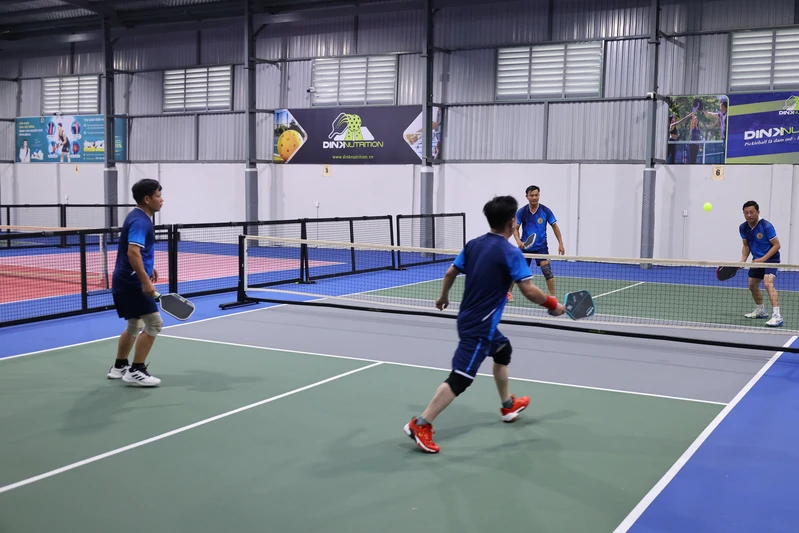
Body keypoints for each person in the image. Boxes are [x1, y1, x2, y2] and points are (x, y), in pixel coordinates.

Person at [403, 195, 566, 454]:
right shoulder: (511, 253)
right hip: (479, 326)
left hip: (468, 317)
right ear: (512, 222)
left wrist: (443, 297)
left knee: (503, 350)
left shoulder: (473, 245)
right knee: (461, 377)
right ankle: (421, 424)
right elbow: (529, 290)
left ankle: (508, 406)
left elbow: (450, 272)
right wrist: (552, 304)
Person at [107, 179, 165, 386]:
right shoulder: (141, 221)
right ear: (147, 199)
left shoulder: (137, 216)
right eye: (158, 196)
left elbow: (136, 251)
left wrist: (149, 267)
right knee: (154, 323)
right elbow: (133, 252)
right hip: (132, 283)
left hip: (124, 279)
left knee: (134, 324)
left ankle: (119, 366)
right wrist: (145, 281)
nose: (162, 200)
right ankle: (136, 370)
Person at [508, 185, 565, 301]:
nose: (534, 197)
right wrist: (518, 241)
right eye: (532, 195)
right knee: (516, 270)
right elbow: (515, 228)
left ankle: (553, 297)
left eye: (536, 195)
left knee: (547, 271)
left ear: (539, 195)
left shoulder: (545, 211)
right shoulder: (522, 212)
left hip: (541, 247)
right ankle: (508, 293)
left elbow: (554, 226)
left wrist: (560, 243)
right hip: (525, 247)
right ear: (527, 196)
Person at [740, 201, 783, 327]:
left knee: (768, 283)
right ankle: (761, 311)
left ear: (758, 212)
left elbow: (777, 245)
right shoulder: (743, 227)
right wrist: (743, 260)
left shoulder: (766, 226)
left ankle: (777, 316)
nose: (749, 215)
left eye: (752, 212)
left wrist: (763, 259)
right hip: (757, 259)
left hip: (771, 259)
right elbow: (746, 245)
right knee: (752, 285)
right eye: (746, 213)